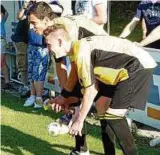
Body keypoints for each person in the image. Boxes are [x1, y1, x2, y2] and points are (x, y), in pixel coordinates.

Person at [43, 24, 157, 155]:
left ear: (60, 41)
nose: (48, 49)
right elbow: (87, 89)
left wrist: (79, 121)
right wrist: (66, 100)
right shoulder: (77, 50)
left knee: (113, 116)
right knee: (101, 107)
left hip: (139, 66)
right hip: (128, 68)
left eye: (48, 44)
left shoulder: (81, 52)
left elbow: (91, 91)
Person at [28, 2, 108, 154]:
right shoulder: (52, 34)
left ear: (45, 20)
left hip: (105, 62)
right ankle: (81, 149)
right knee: (74, 102)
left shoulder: (65, 30)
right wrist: (65, 95)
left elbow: (76, 68)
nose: (32, 27)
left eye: (33, 23)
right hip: (88, 62)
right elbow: (60, 65)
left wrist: (66, 95)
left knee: (107, 114)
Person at [11, 1, 30, 97]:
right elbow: (19, 16)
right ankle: (25, 86)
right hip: (21, 39)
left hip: (31, 40)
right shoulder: (26, 7)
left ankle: (28, 86)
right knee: (23, 63)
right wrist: (24, 6)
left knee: (29, 63)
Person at [0, 5, 10, 89]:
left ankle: (7, 82)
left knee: (1, 62)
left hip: (1, 40)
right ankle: (7, 81)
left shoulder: (2, 18)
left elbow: (6, 13)